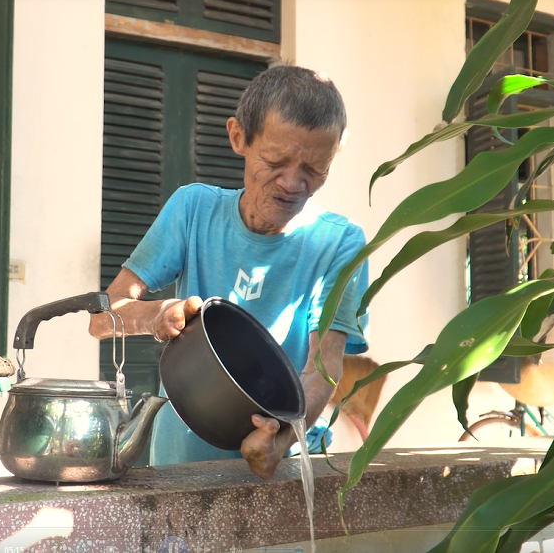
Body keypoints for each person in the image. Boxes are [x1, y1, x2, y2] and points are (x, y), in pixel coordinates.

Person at [88, 65, 370, 480]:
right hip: (179, 468)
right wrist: (154, 315)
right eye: (275, 161)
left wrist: (279, 443)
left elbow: (322, 369)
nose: (293, 183)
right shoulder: (193, 210)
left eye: (315, 169)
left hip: (285, 470)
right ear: (239, 137)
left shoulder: (340, 242)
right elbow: (101, 319)